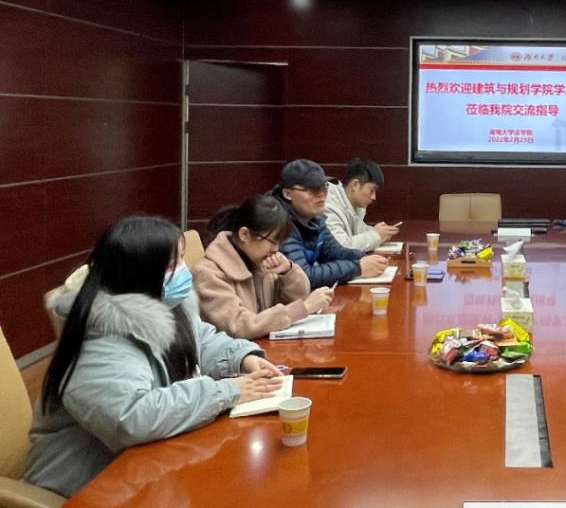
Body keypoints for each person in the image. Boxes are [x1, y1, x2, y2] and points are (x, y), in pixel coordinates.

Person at [24, 216, 283, 498]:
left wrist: (242, 358)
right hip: (87, 483)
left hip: (147, 461)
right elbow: (131, 418)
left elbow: (201, 340)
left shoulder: (165, 302)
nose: (184, 271)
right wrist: (226, 391)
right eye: (172, 265)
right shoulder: (98, 337)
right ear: (138, 272)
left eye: (182, 259)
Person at [194, 196, 334, 339]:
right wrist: (305, 307)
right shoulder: (209, 273)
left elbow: (292, 303)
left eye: (280, 242)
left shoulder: (259, 261)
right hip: (233, 352)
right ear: (244, 234)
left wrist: (288, 272)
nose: (276, 249)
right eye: (272, 241)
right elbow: (239, 326)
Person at [270, 158, 387, 287]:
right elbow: (303, 276)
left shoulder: (314, 217)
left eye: (324, 187)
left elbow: (333, 251)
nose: (322, 195)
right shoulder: (276, 222)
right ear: (288, 193)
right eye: (313, 190)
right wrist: (357, 267)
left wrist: (363, 257)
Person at [325, 157, 400, 252]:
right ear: (355, 185)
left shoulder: (355, 204)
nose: (374, 197)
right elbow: (339, 247)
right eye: (372, 190)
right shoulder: (328, 205)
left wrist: (379, 231)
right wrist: (376, 235)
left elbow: (358, 232)